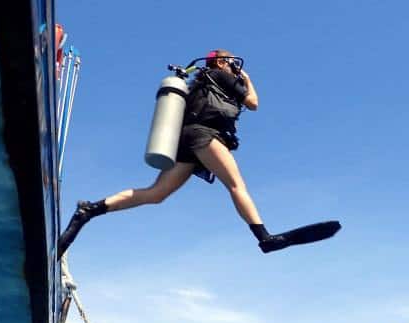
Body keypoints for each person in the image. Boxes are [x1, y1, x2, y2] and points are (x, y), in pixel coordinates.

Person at [57, 49, 339, 257]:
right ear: (219, 62)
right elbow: (253, 103)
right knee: (236, 184)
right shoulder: (219, 75)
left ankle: (90, 210)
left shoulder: (203, 83)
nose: (234, 67)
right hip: (204, 135)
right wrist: (248, 79)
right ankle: (264, 237)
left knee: (155, 194)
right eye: (231, 62)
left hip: (187, 140)